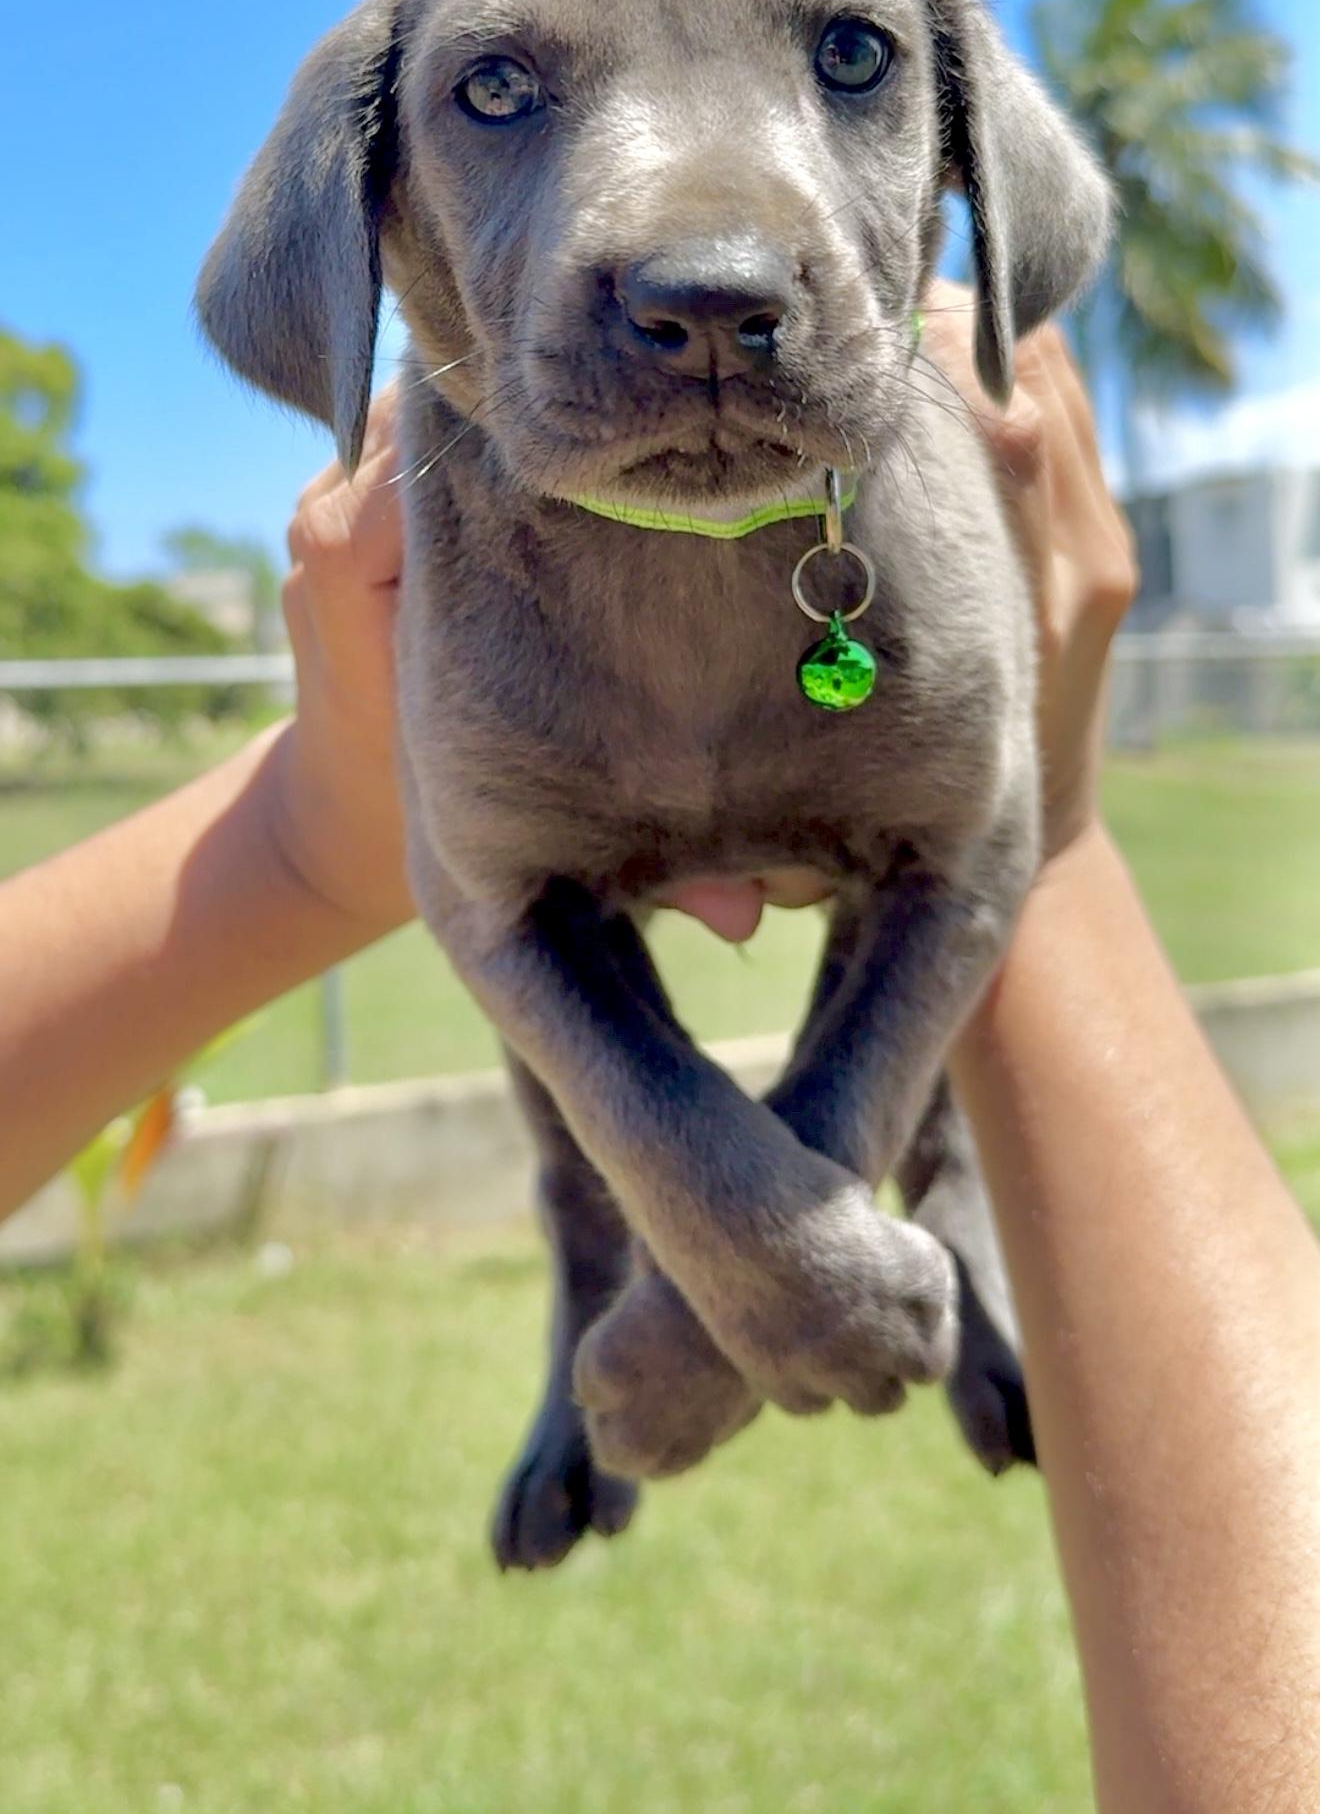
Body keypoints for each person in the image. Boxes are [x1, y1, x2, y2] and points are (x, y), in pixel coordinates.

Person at [1, 302, 1317, 1809]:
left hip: (861, 642)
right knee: (566, 974)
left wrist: (310, 841)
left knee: (871, 897)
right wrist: (1052, 839)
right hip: (564, 698)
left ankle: (926, 1195)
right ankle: (609, 1283)